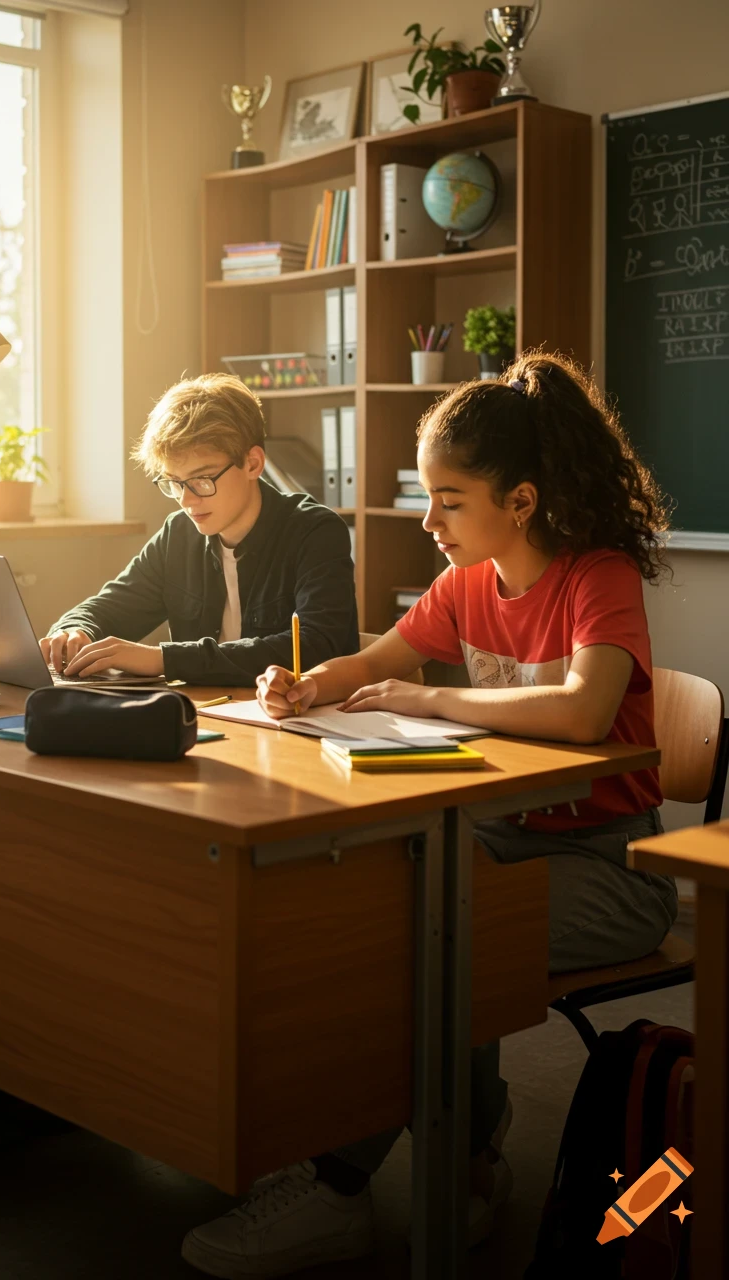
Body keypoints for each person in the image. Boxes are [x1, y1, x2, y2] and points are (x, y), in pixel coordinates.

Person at [181, 351, 680, 1278]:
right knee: (396, 922)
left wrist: (433, 700)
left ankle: (344, 1186)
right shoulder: (466, 586)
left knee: (434, 944)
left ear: (520, 500)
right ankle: (473, 1147)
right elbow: (373, 662)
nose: (429, 519)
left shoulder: (595, 577)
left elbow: (582, 711)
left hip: (613, 872)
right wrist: (304, 683)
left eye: (450, 499)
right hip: (496, 838)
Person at [39, 373, 358, 685]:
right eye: (174, 483)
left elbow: (315, 645)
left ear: (252, 464)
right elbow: (111, 606)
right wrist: (74, 630)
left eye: (202, 480)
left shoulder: (315, 532)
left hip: (299, 722)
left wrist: (161, 660)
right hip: (209, 718)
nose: (186, 500)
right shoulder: (179, 534)